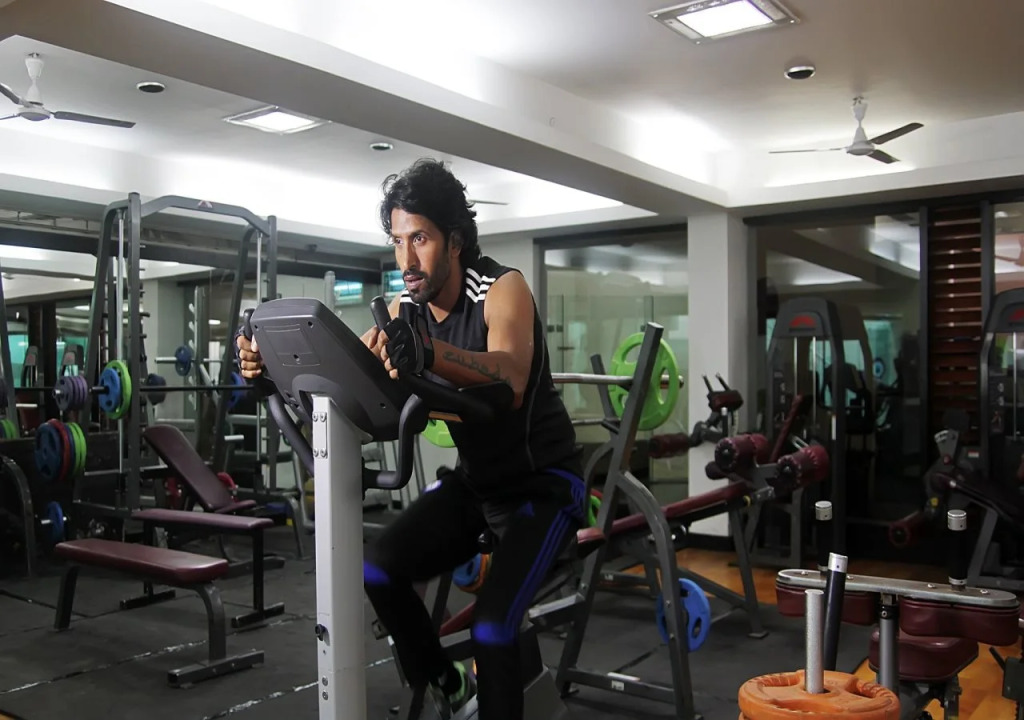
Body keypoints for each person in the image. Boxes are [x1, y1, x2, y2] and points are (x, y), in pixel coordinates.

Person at [236, 158, 585, 720]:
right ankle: (450, 685)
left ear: (455, 241)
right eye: (398, 241)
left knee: (493, 629)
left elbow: (511, 377)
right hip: (476, 486)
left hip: (543, 487)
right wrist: (266, 370)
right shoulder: (404, 310)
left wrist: (428, 353)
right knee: (378, 569)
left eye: (419, 239)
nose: (406, 260)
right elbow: (349, 373)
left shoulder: (502, 288)